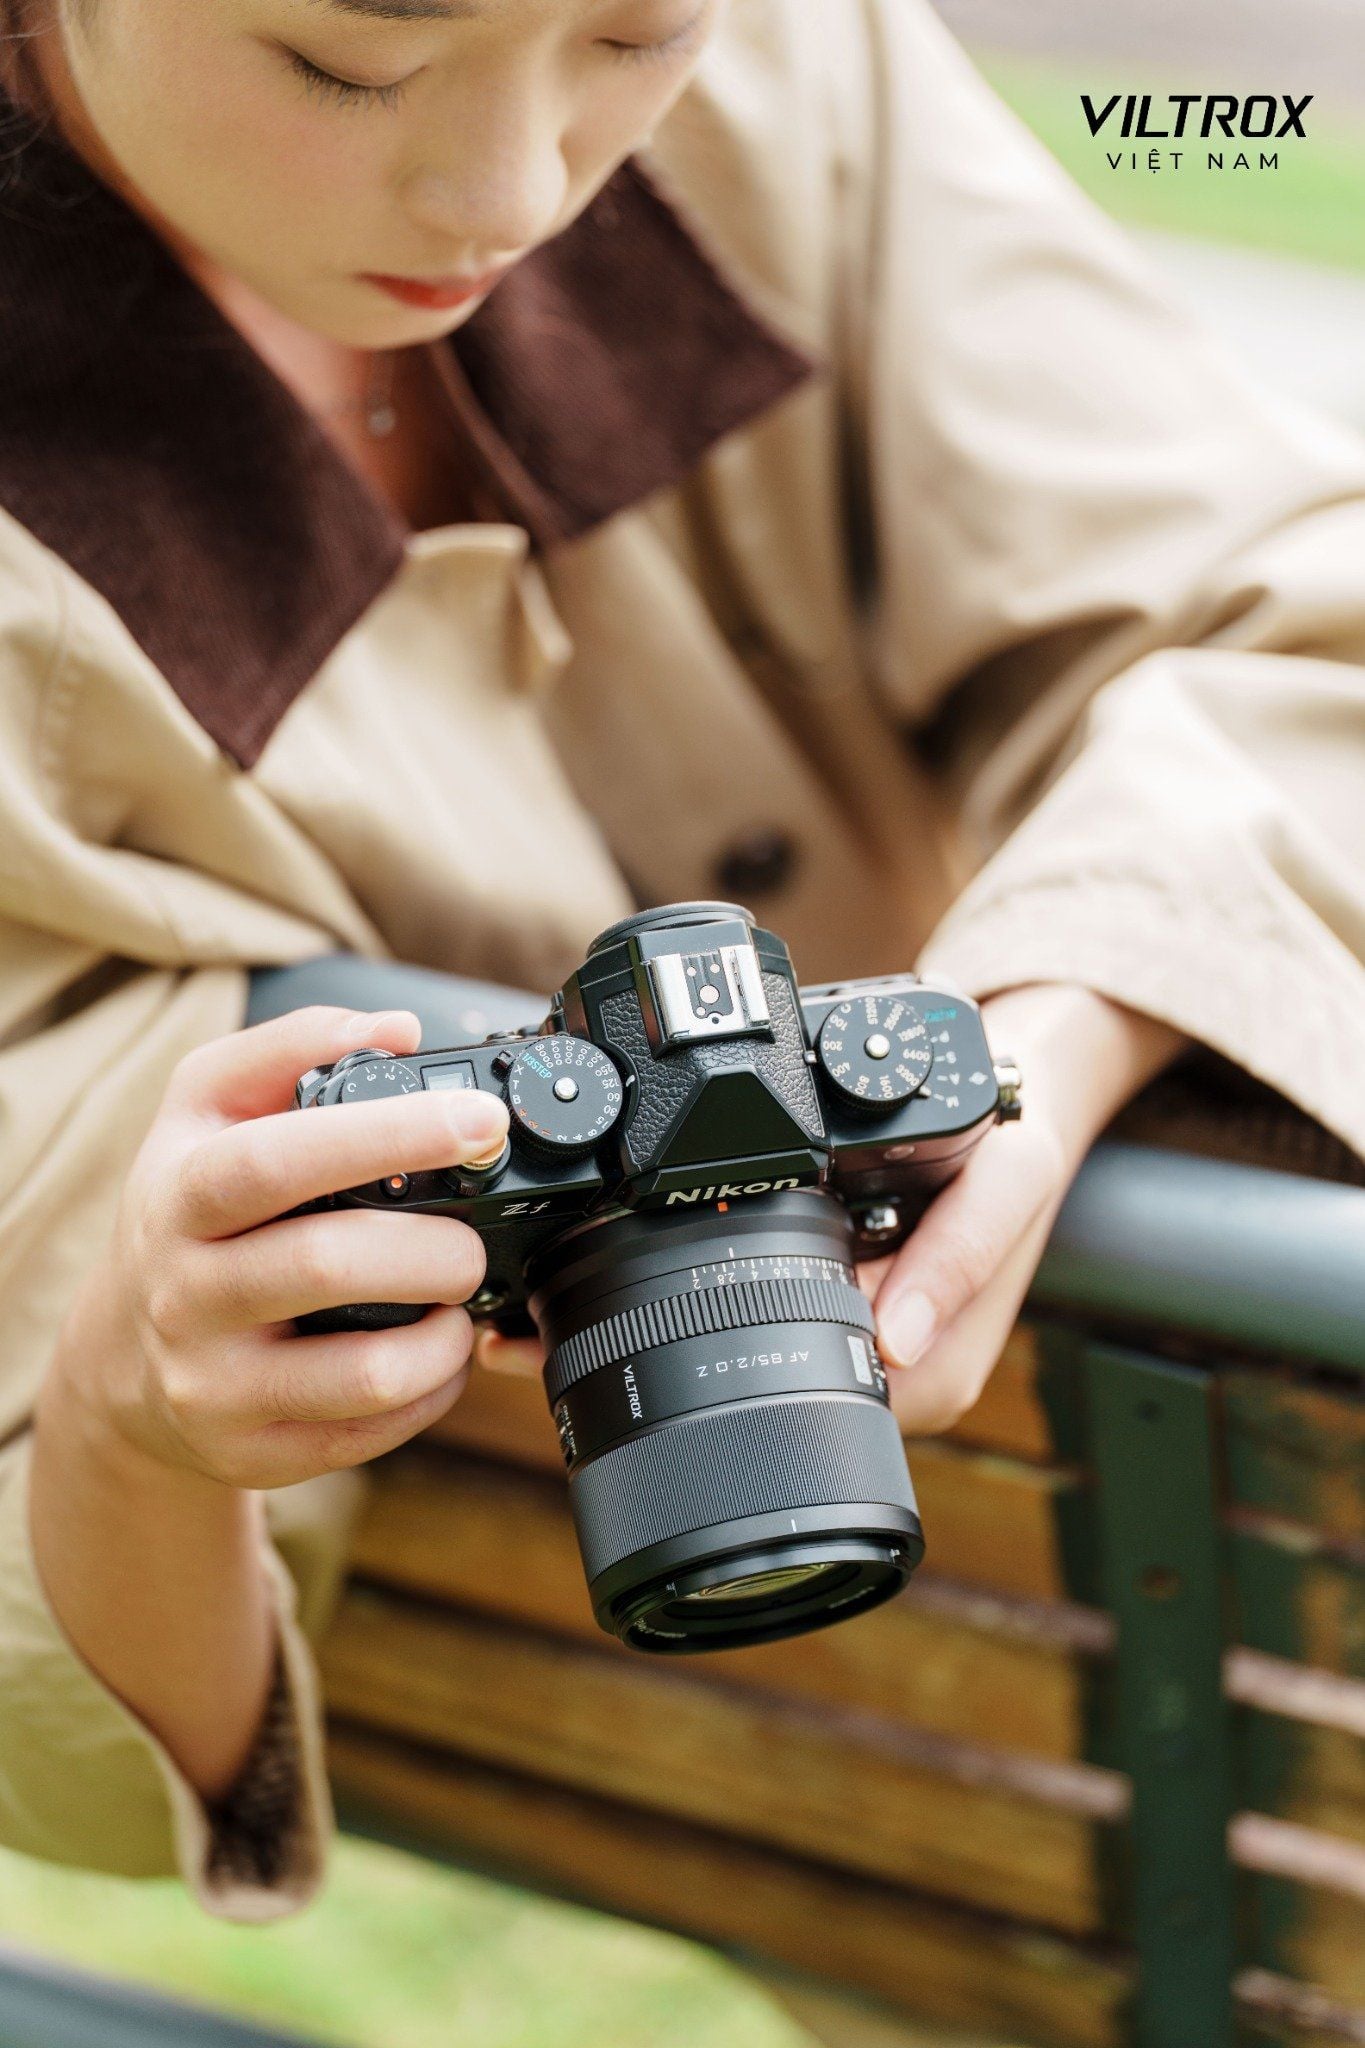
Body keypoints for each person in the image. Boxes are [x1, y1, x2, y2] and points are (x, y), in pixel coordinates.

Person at [0, 0, 1362, 1926]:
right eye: (347, 60)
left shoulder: (791, 66)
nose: (508, 194)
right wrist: (125, 1415)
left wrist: (1050, 1037)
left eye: (641, 33)